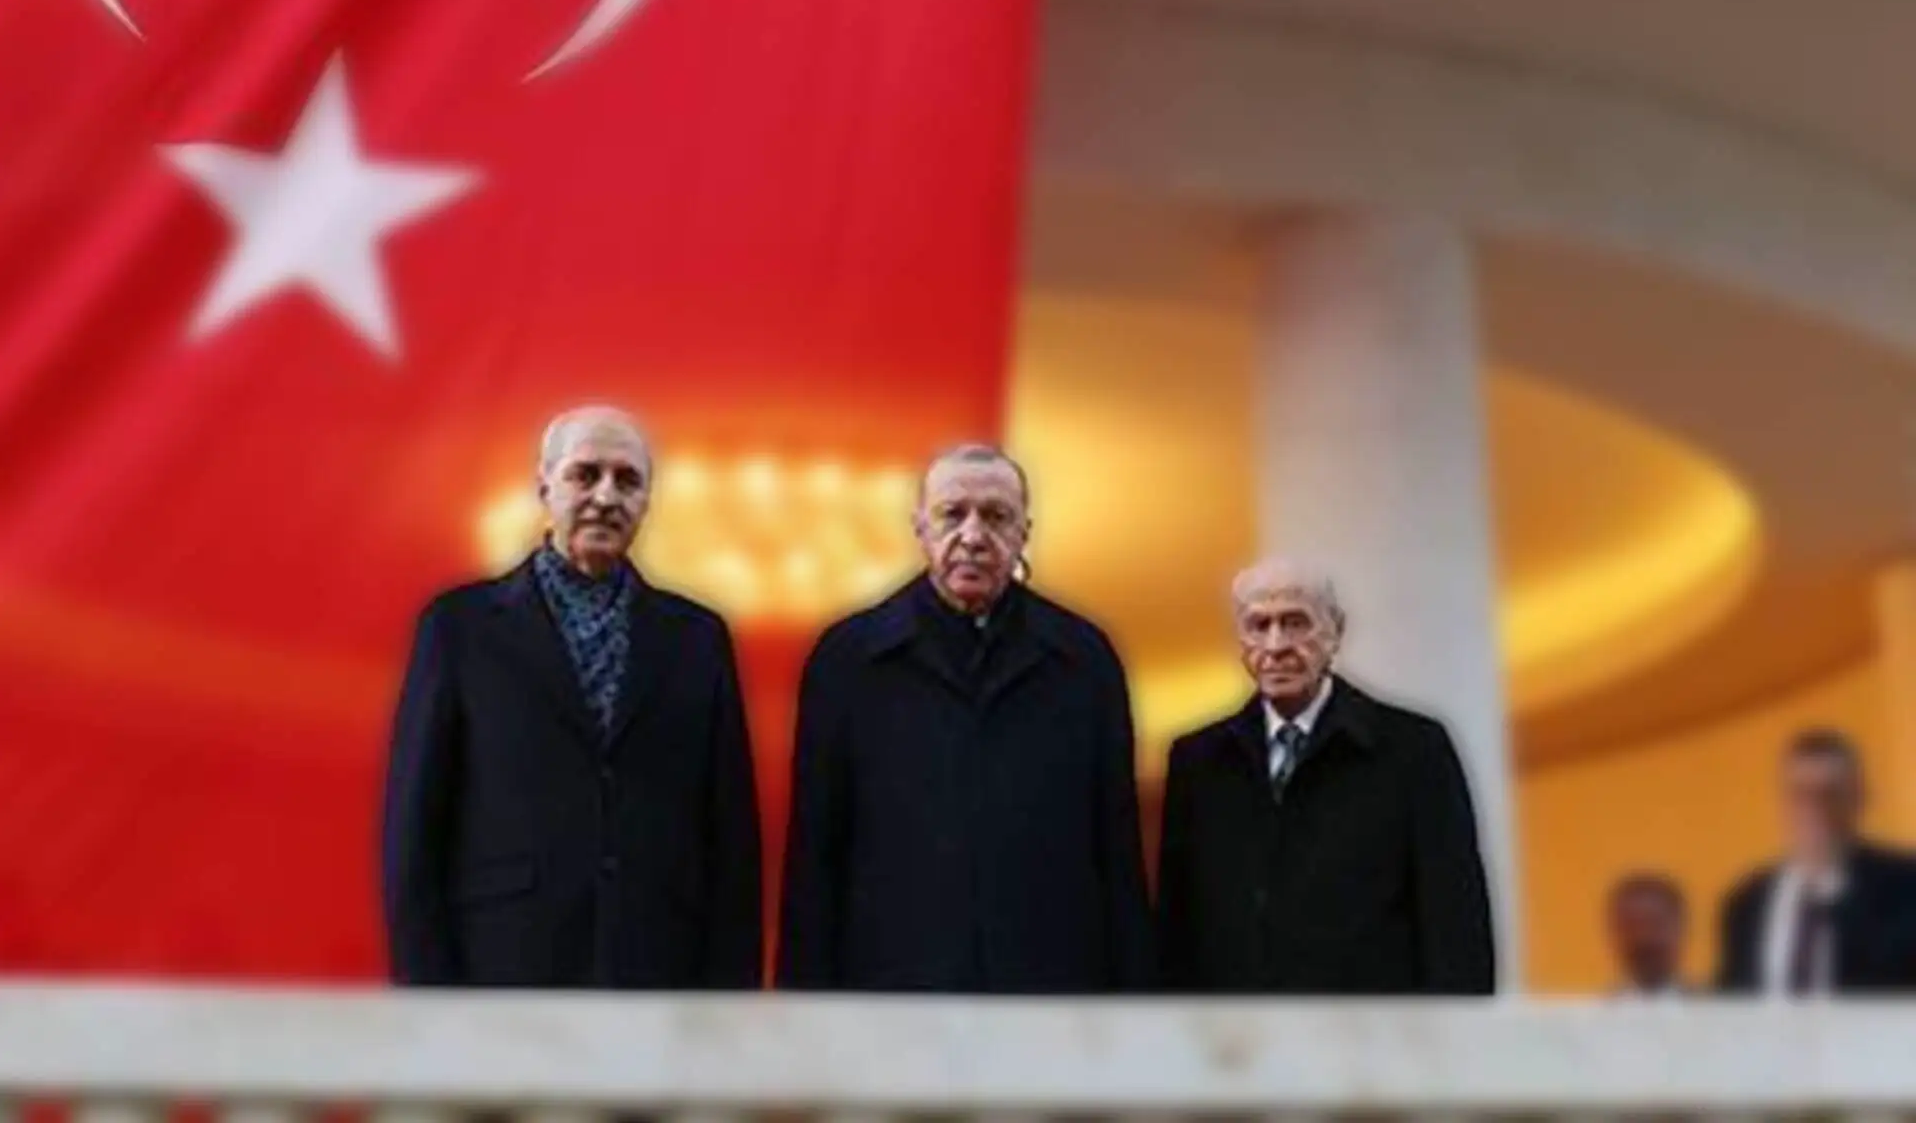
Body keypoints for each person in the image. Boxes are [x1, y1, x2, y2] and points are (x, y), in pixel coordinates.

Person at [381, 404, 762, 987]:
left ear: (648, 503)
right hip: (502, 972)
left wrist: (725, 1008)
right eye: (585, 475)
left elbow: (730, 841)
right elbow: (416, 829)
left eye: (628, 480)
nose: (606, 497)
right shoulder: (461, 629)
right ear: (544, 486)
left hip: (658, 977)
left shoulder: (696, 640)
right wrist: (433, 1005)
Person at [776, 442, 1153, 991]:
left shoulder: (1083, 661)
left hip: (1050, 991)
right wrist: (805, 1011)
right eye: (953, 515)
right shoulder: (849, 661)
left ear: (1025, 531)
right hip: (894, 992)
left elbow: (1118, 852)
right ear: (919, 529)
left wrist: (1134, 1007)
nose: (973, 537)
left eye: (996, 517)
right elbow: (816, 858)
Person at [1155, 556, 1495, 994]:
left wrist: (1454, 1044)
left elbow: (1455, 919)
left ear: (1335, 631)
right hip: (1239, 1045)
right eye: (1259, 626)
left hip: (1374, 1040)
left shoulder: (1413, 750)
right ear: (1241, 640)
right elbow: (1177, 928)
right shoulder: (1198, 763)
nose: (1276, 645)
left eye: (1296, 623)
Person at [1716, 729, 1916, 993]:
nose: (1815, 808)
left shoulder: (1905, 889)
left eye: (1830, 794)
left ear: (1859, 798)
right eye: (1801, 794)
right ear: (1784, 803)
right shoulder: (1746, 904)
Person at [1606, 872, 1692, 998]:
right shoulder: (1596, 1015)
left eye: (1655, 924)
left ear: (1680, 929)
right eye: (1632, 925)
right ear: (1615, 932)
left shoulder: (1715, 1011)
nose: (1644, 936)